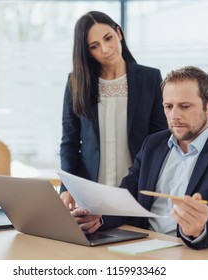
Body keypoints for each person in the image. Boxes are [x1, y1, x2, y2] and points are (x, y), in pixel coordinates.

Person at [72, 66, 208, 251]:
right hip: (141, 248)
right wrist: (97, 217)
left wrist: (199, 229)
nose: (174, 116)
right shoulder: (153, 144)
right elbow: (127, 200)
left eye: (185, 106)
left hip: (191, 254)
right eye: (168, 107)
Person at [60, 11, 167, 209]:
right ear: (87, 52)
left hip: (137, 191)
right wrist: (67, 187)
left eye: (108, 38)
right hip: (89, 192)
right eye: (94, 46)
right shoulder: (76, 82)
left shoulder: (150, 78)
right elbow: (69, 142)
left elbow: (159, 140)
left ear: (119, 32)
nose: (105, 49)